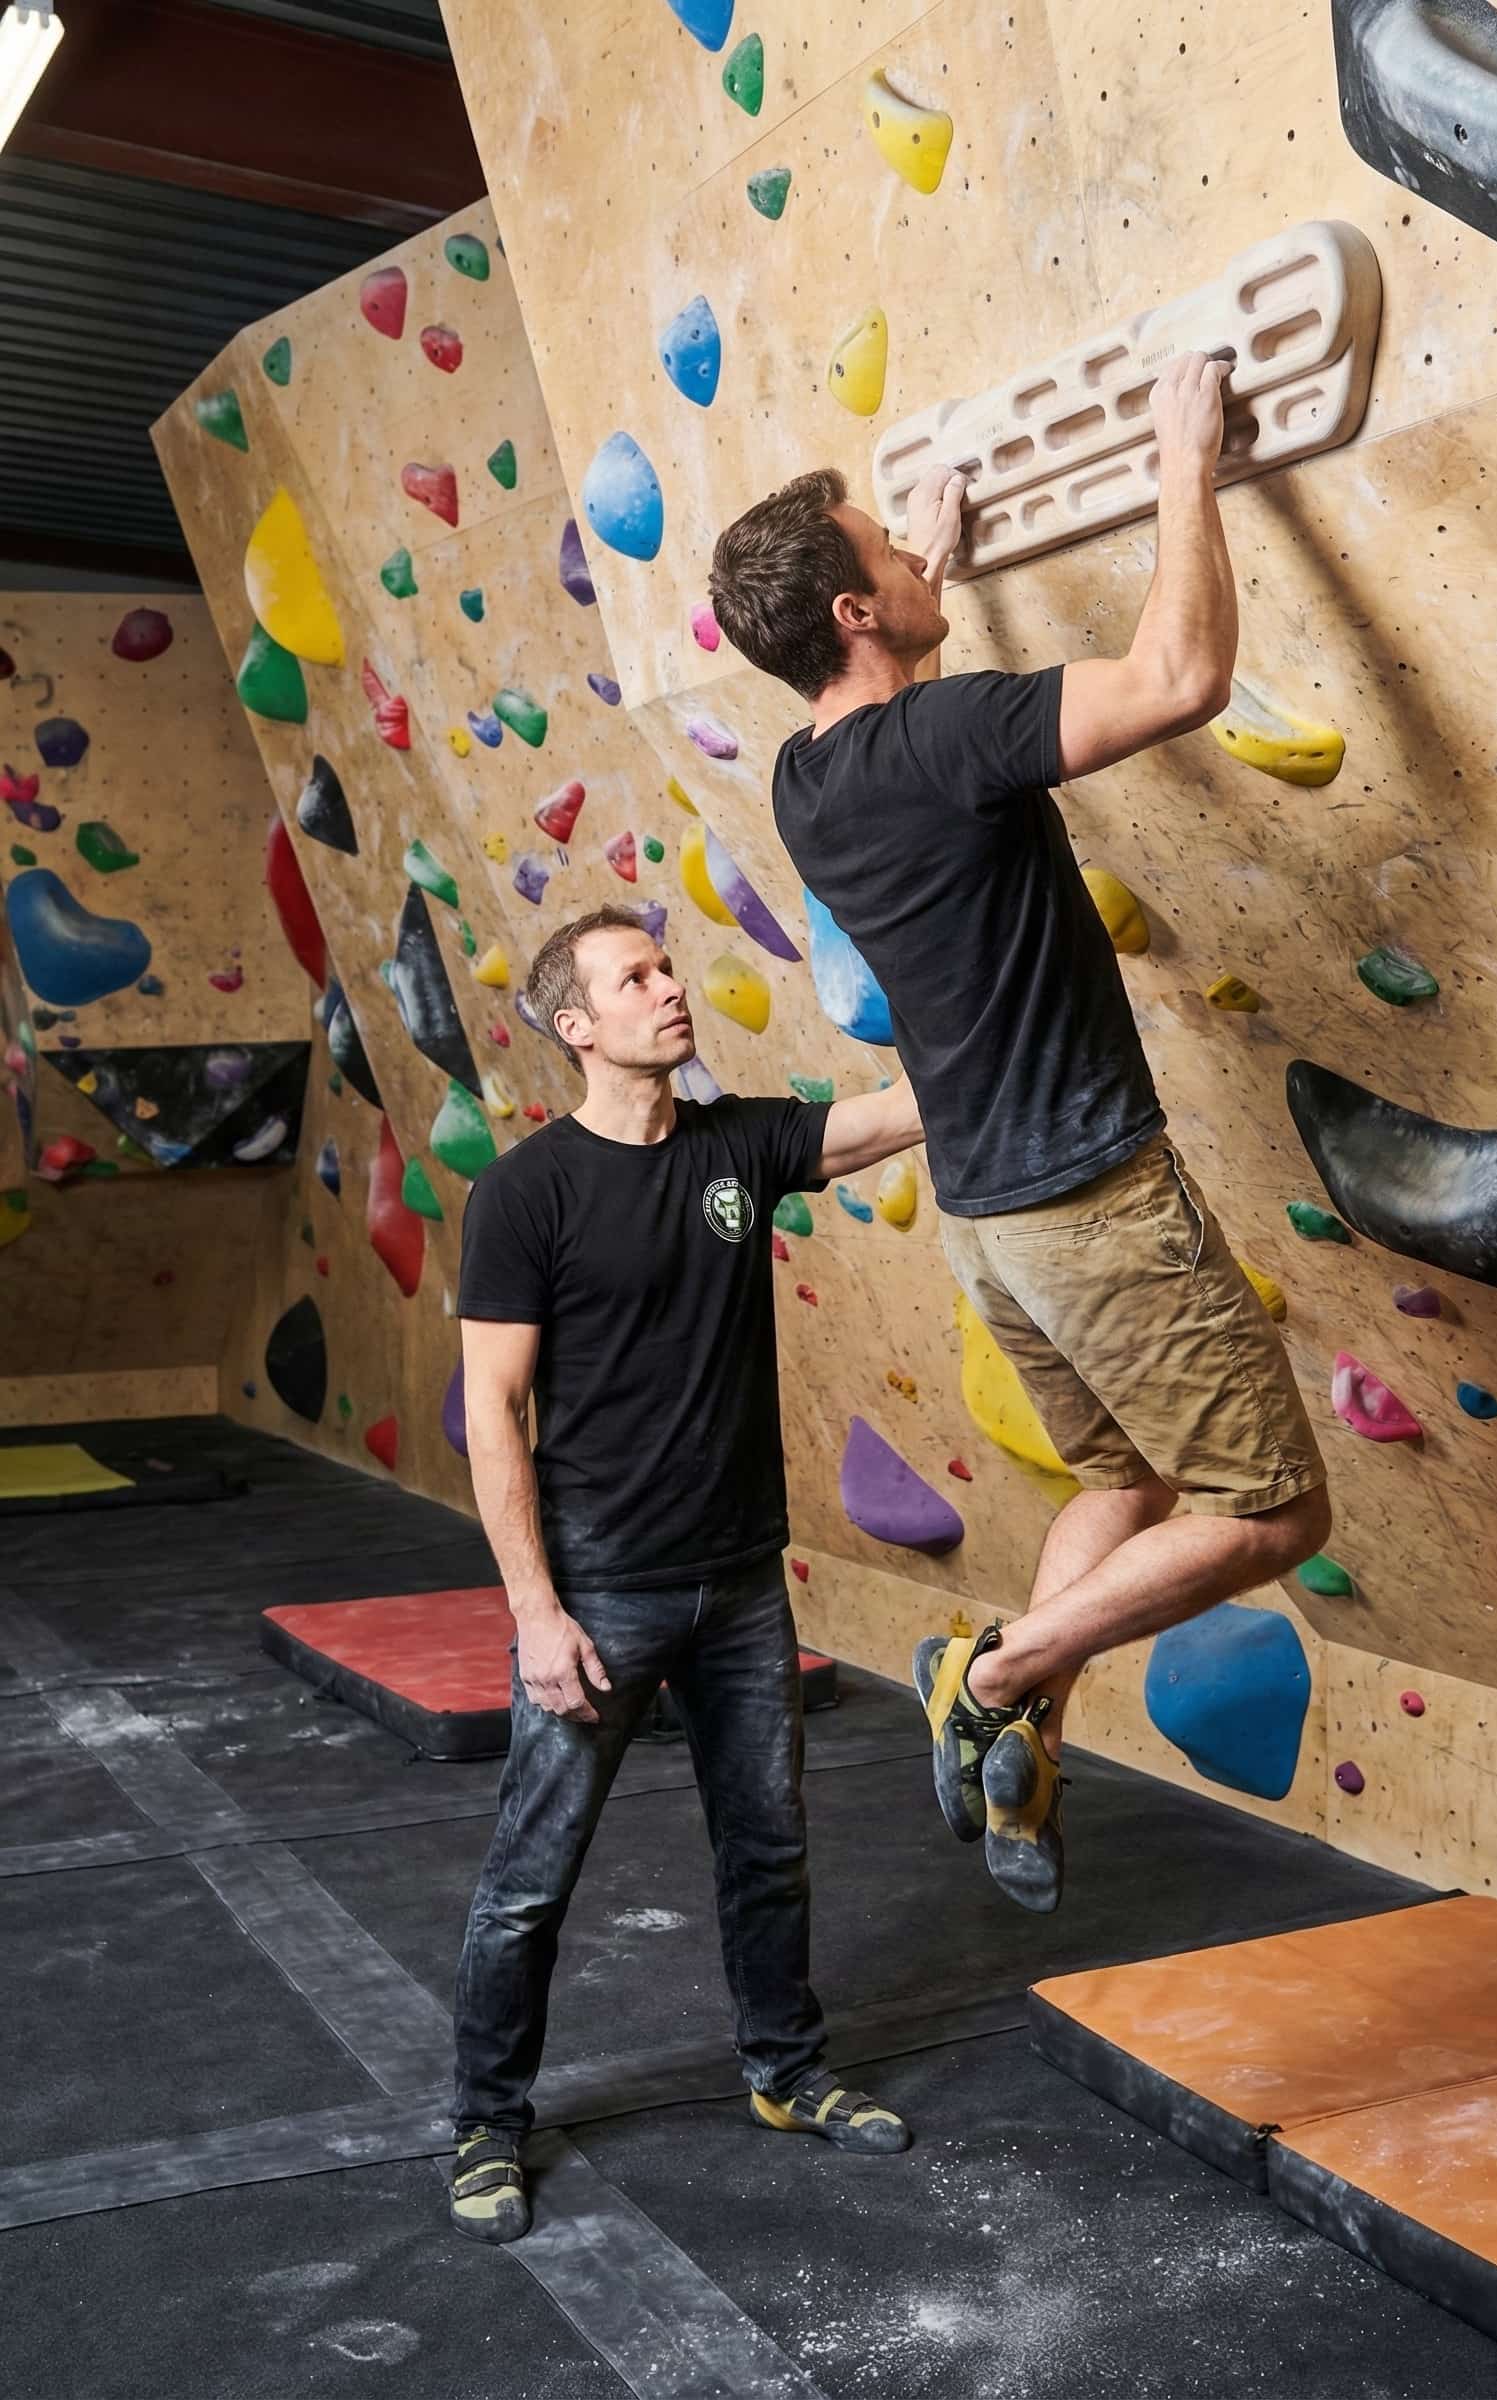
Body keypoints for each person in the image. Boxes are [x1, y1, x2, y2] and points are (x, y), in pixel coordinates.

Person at [708, 350, 1331, 1917]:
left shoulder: (805, 780)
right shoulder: (947, 740)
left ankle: (1023, 1759)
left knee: (1118, 1484)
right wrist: (1184, 455)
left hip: (989, 1223)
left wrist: (921, 554)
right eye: (890, 553)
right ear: (853, 613)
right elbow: (1179, 680)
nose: (915, 555)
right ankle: (989, 1675)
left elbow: (898, 691)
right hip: (1093, 1208)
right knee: (1271, 1512)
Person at [448, 904, 923, 2245]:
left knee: (768, 1847)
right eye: (634, 977)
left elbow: (898, 1117)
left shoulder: (737, 1146)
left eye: (665, 967)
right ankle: (487, 2121)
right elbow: (494, 1409)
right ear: (576, 1026)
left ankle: (785, 2070)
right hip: (602, 1585)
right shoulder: (526, 1193)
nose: (668, 988)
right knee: (533, 1874)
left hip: (741, 1580)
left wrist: (986, 978)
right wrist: (536, 1611)